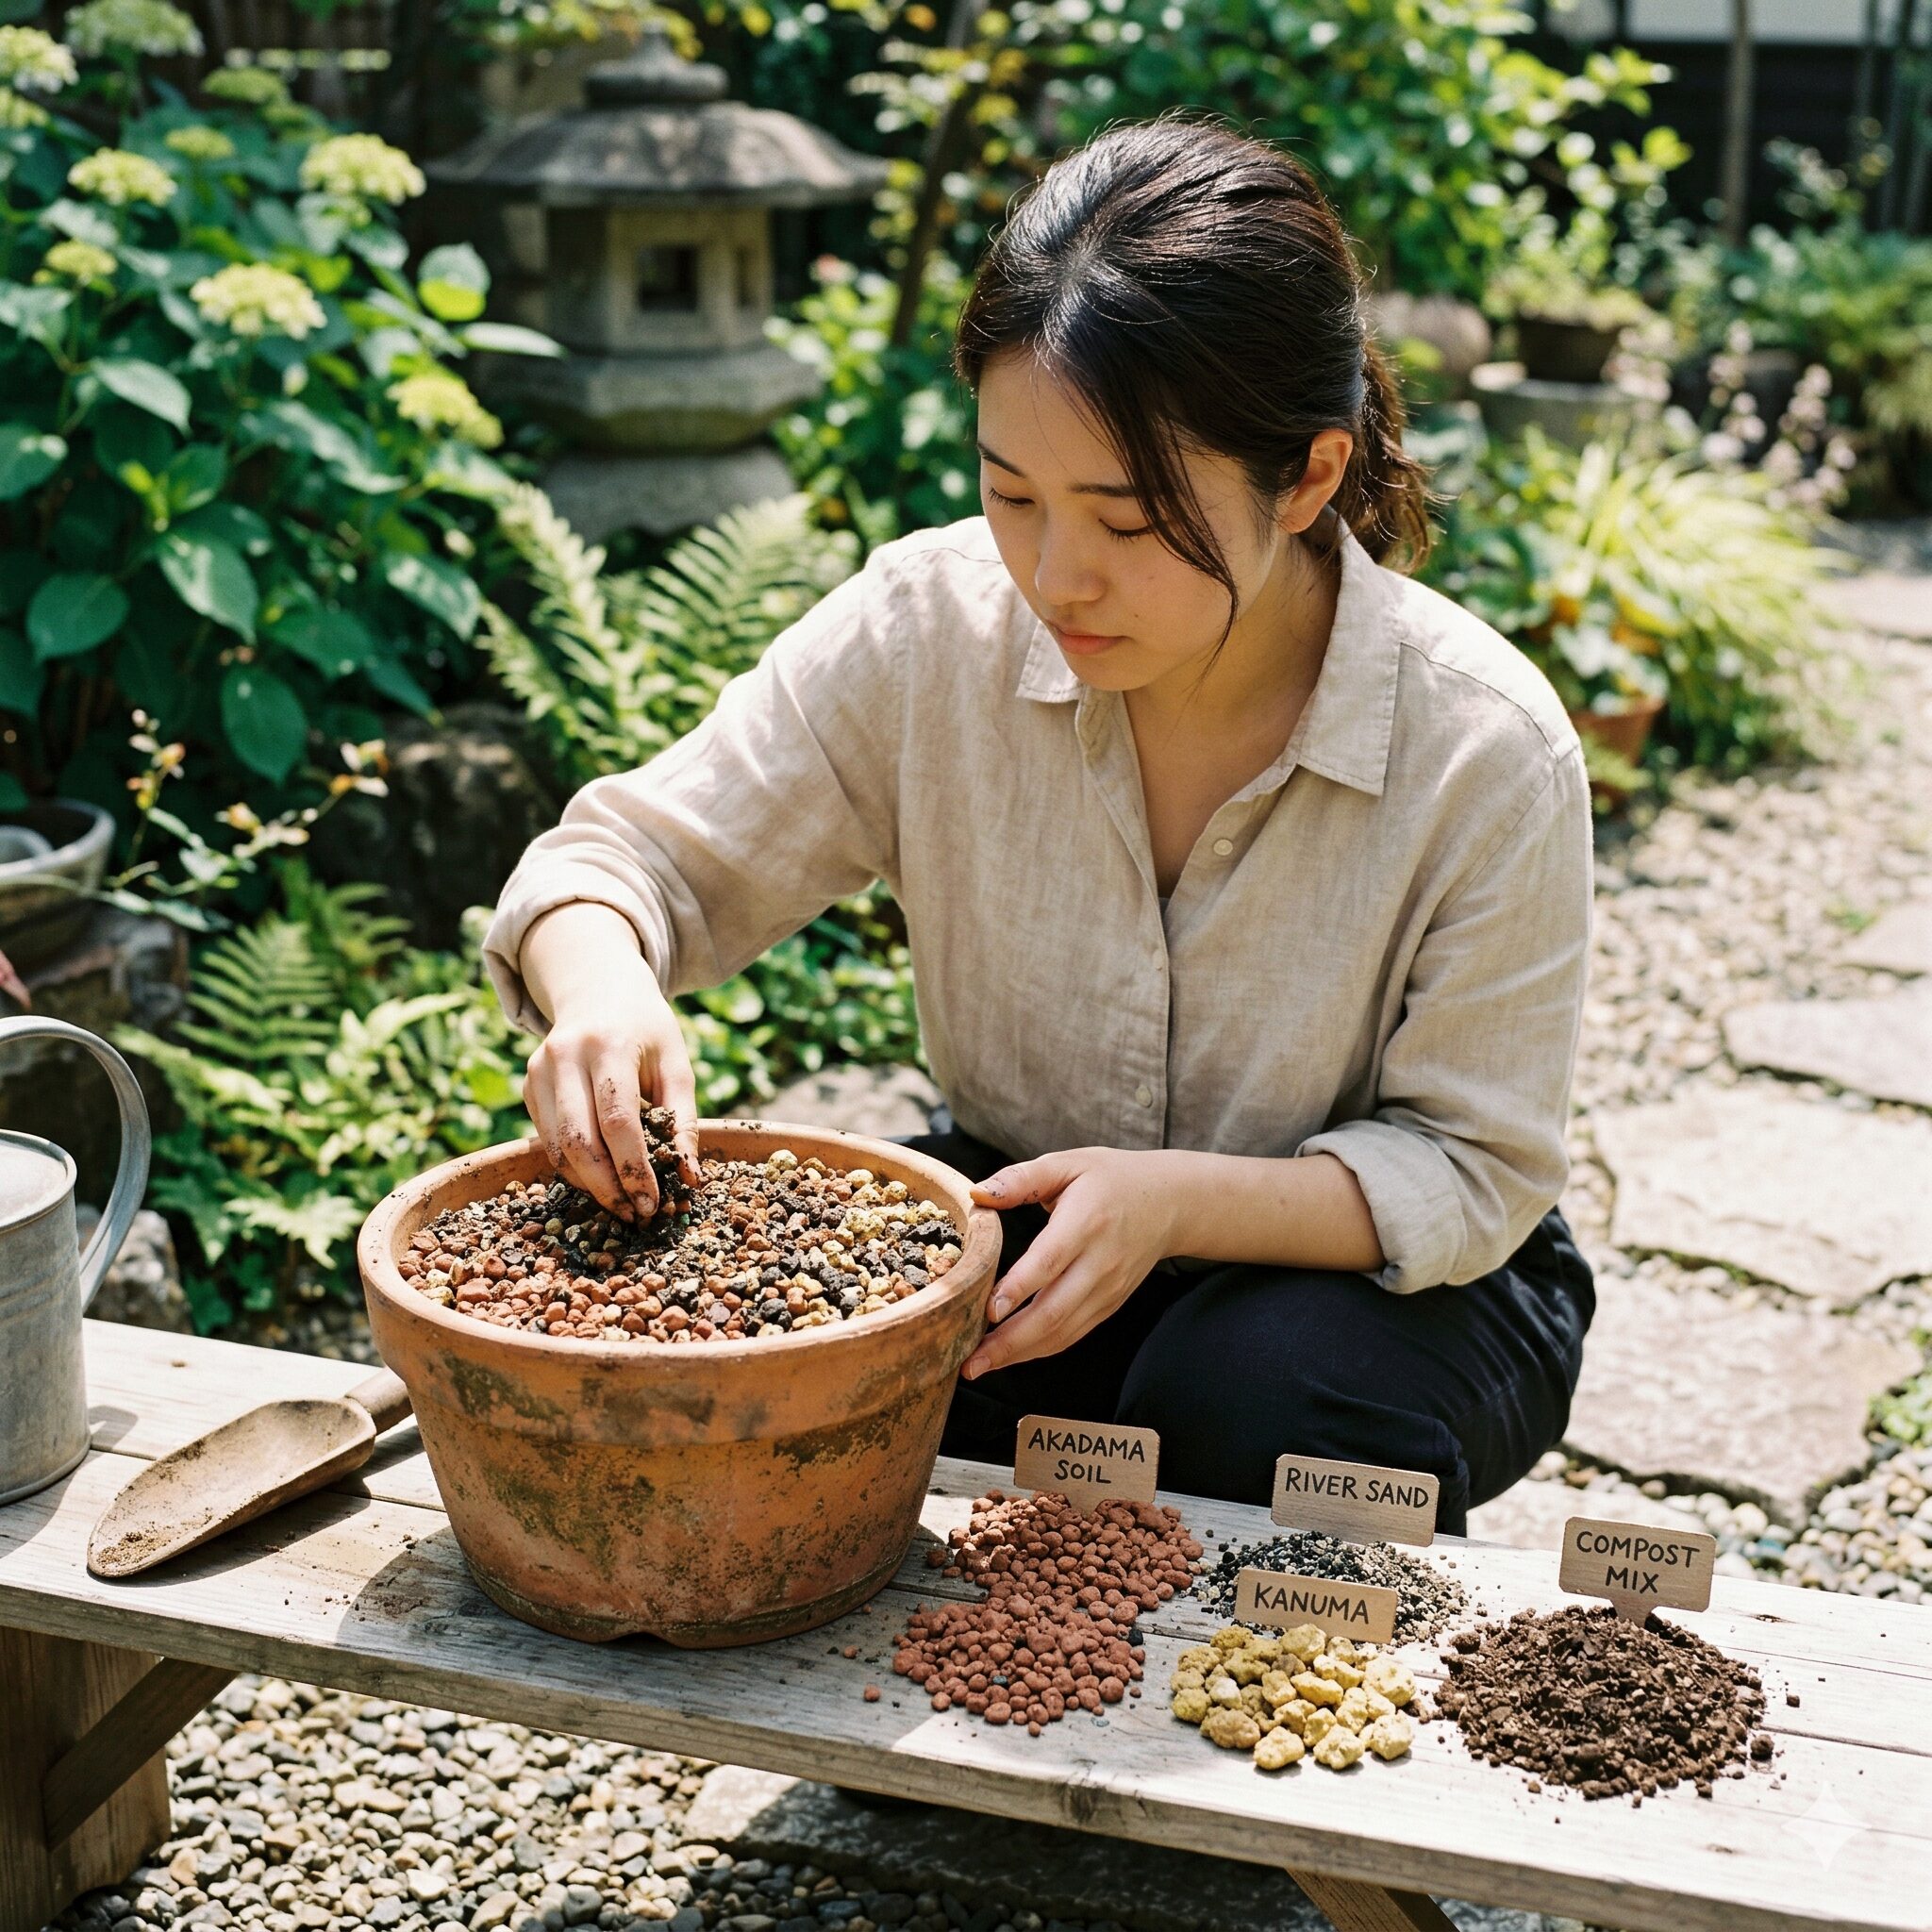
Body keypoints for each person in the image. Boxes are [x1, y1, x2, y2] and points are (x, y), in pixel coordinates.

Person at [482, 114, 1594, 1535]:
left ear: (1310, 477)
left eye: (1127, 522)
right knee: (817, 1385)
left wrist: (1174, 1202)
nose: (1057, 577)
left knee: (1250, 1396)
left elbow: (1474, 1170)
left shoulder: (1484, 748)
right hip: (1038, 1236)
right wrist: (601, 991)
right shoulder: (929, 628)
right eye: (1012, 494)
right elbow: (617, 862)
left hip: (1387, 1287)